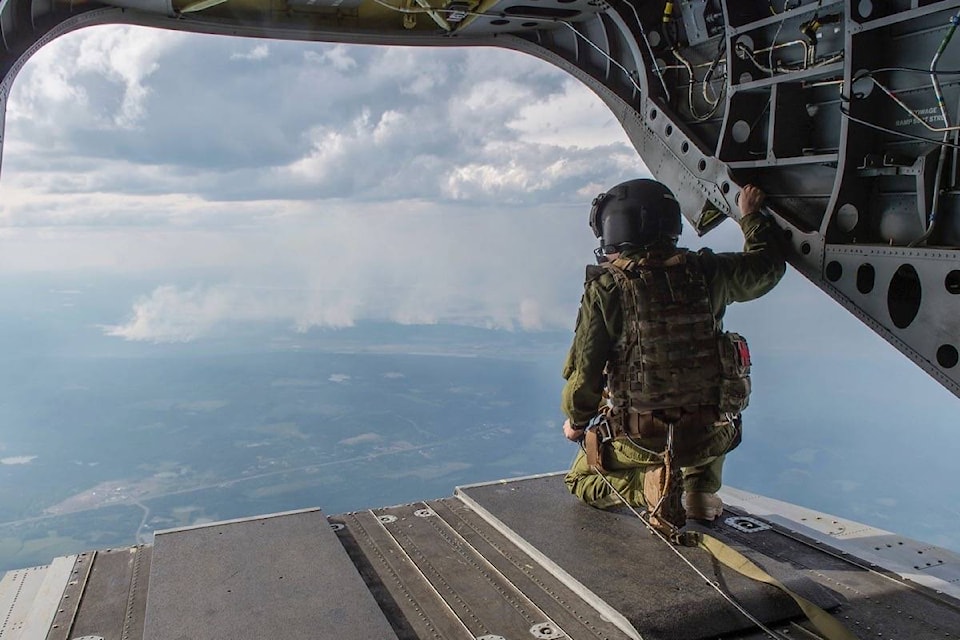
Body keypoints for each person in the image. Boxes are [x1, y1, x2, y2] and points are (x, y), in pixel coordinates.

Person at [561, 179, 785, 533]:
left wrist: (575, 422)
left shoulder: (606, 288)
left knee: (579, 481)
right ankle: (701, 493)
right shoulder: (709, 271)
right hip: (710, 437)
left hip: (641, 440)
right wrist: (752, 217)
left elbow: (586, 371)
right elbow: (767, 268)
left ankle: (649, 488)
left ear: (615, 229)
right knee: (704, 405)